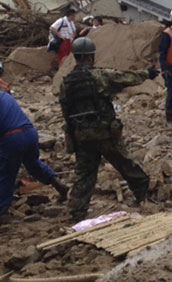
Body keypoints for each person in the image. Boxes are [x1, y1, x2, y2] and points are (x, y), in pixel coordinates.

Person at [59, 37, 158, 221]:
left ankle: (77, 211)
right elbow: (125, 77)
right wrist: (147, 73)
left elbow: (66, 111)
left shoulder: (66, 82)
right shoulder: (99, 76)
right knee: (125, 163)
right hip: (104, 132)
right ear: (90, 57)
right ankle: (143, 195)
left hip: (82, 135)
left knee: (84, 174)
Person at [1, 90, 69, 220]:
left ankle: (2, 212)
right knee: (32, 163)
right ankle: (58, 184)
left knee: (5, 174)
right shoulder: (4, 95)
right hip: (30, 132)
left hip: (12, 137)